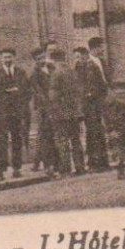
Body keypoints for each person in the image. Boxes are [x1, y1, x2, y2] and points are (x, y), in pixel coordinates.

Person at [46, 45, 87, 176]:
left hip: (61, 114)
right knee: (76, 140)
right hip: (74, 113)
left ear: (53, 60)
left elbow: (53, 96)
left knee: (62, 141)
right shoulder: (72, 72)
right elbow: (79, 92)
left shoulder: (55, 74)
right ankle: (80, 167)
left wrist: (53, 112)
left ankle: (66, 169)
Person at [0, 47, 31, 179]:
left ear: (14, 58)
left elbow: (26, 91)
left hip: (17, 112)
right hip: (2, 113)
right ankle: (1, 171)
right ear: (0, 59)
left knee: (16, 140)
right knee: (1, 141)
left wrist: (18, 95)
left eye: (9, 57)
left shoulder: (20, 72)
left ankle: (16, 168)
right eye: (4, 57)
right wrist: (9, 92)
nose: (7, 59)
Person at [74, 45, 110, 170]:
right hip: (88, 106)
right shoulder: (80, 67)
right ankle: (98, 160)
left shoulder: (90, 67)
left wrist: (91, 94)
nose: (77, 60)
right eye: (75, 58)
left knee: (94, 132)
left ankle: (97, 161)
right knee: (93, 132)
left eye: (79, 57)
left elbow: (101, 86)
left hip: (92, 105)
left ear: (85, 55)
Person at [30, 47, 60, 175]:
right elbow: (38, 92)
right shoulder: (34, 74)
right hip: (44, 108)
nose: (41, 61)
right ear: (35, 60)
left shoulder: (52, 68)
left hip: (55, 106)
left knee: (52, 135)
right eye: (38, 59)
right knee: (46, 136)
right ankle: (48, 165)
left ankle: (54, 164)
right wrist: (49, 104)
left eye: (43, 57)